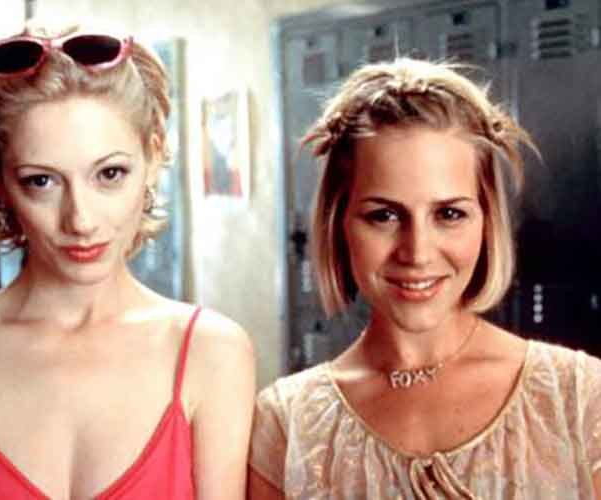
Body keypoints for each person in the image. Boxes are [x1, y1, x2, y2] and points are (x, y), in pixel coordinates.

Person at [0, 20, 255, 500]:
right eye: (41, 181)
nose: (81, 220)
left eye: (109, 173)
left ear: (153, 158)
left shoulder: (212, 353)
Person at [248, 58, 601, 499]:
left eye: (449, 214)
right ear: (338, 223)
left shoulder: (579, 400)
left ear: (487, 220)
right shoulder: (287, 427)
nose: (417, 252)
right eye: (384, 215)